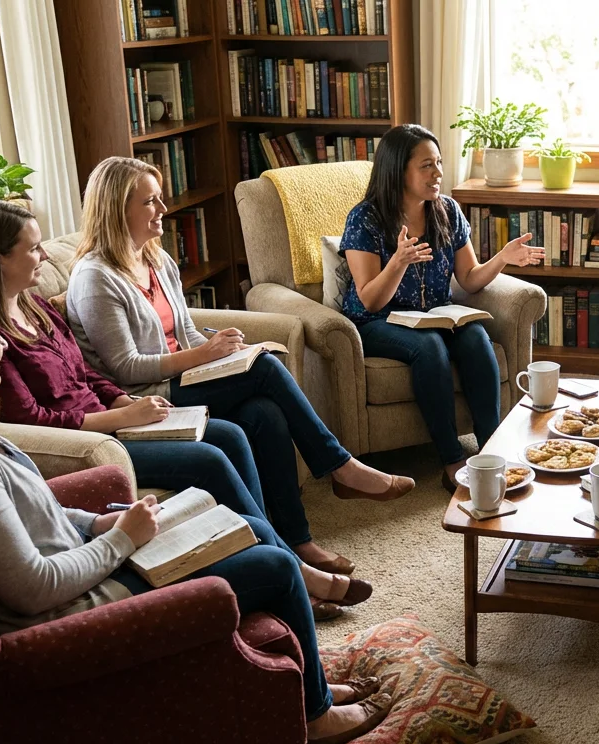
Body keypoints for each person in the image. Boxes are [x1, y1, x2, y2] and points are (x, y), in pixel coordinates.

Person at [0, 276, 394, 744]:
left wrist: (96, 524)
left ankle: (312, 685)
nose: (1, 345)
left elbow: (34, 511)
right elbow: (33, 585)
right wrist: (120, 540)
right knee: (273, 569)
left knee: (248, 527)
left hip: (88, 565)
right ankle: (316, 716)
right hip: (75, 607)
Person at [0, 199, 365, 619]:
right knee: (208, 457)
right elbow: (32, 419)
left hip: (115, 418)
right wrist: (121, 417)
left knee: (235, 431)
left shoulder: (37, 309)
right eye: (32, 248)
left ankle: (270, 551)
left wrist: (121, 399)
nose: (42, 256)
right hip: (89, 440)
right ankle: (294, 568)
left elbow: (87, 374)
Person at [65, 156, 413, 579]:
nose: (162, 210)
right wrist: (205, 356)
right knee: (264, 370)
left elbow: (187, 333)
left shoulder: (157, 261)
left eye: (159, 199)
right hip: (147, 399)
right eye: (149, 202)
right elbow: (125, 368)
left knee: (264, 414)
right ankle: (341, 467)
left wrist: (223, 351)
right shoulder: (96, 277)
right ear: (117, 210)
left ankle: (296, 543)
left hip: (184, 379)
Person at [340, 124, 543, 490]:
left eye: (439, 163)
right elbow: (369, 298)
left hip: (433, 316)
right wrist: (398, 262)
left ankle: (491, 451)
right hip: (375, 321)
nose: (438, 174)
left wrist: (503, 258)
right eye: (426, 166)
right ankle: (453, 460)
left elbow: (469, 278)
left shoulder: (447, 209)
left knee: (477, 339)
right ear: (398, 170)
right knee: (429, 348)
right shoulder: (364, 218)